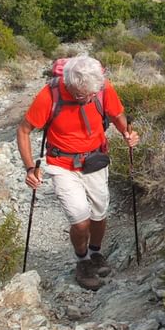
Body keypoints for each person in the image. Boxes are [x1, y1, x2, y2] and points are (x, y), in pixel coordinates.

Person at [16, 55, 139, 290]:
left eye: (94, 93)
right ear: (69, 85)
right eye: (84, 95)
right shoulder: (49, 95)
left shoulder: (102, 88)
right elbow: (24, 130)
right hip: (61, 164)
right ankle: (82, 260)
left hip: (95, 160)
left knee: (99, 213)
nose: (90, 98)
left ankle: (95, 253)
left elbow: (116, 114)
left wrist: (127, 133)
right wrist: (30, 167)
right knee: (80, 219)